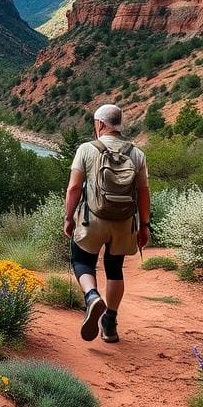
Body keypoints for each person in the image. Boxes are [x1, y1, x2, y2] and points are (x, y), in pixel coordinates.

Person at [63, 103, 150, 343]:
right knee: (115, 268)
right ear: (119, 125)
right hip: (123, 222)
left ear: (100, 124)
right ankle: (110, 324)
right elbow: (143, 192)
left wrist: (69, 218)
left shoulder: (86, 149)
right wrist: (145, 225)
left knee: (82, 261)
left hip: (93, 221)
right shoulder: (137, 153)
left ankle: (92, 297)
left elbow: (73, 188)